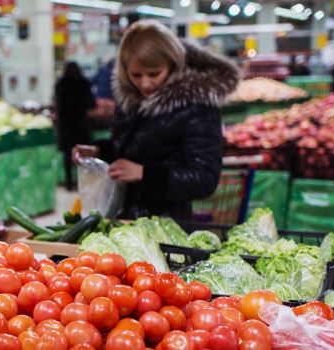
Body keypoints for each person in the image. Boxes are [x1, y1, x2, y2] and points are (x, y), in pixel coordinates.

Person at [72, 20, 239, 220]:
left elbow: (204, 180)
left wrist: (145, 173)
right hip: (125, 219)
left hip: (167, 225)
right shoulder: (131, 99)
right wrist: (99, 151)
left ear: (173, 64)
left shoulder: (197, 106)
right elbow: (135, 148)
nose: (145, 83)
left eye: (154, 74)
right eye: (136, 75)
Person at [55, 62, 96, 191]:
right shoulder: (84, 83)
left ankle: (68, 182)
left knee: (68, 154)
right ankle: (82, 182)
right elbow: (91, 103)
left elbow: (59, 106)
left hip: (66, 124)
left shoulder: (60, 85)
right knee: (83, 154)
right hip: (80, 123)